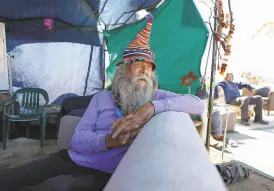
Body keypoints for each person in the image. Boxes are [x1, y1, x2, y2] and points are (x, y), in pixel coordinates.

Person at [0, 14, 204, 191]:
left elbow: (197, 104)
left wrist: (149, 108)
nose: (145, 70)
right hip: (74, 159)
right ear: (124, 69)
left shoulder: (156, 96)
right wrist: (109, 141)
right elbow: (78, 140)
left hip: (107, 173)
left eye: (150, 67)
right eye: (138, 64)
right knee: (16, 176)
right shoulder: (102, 97)